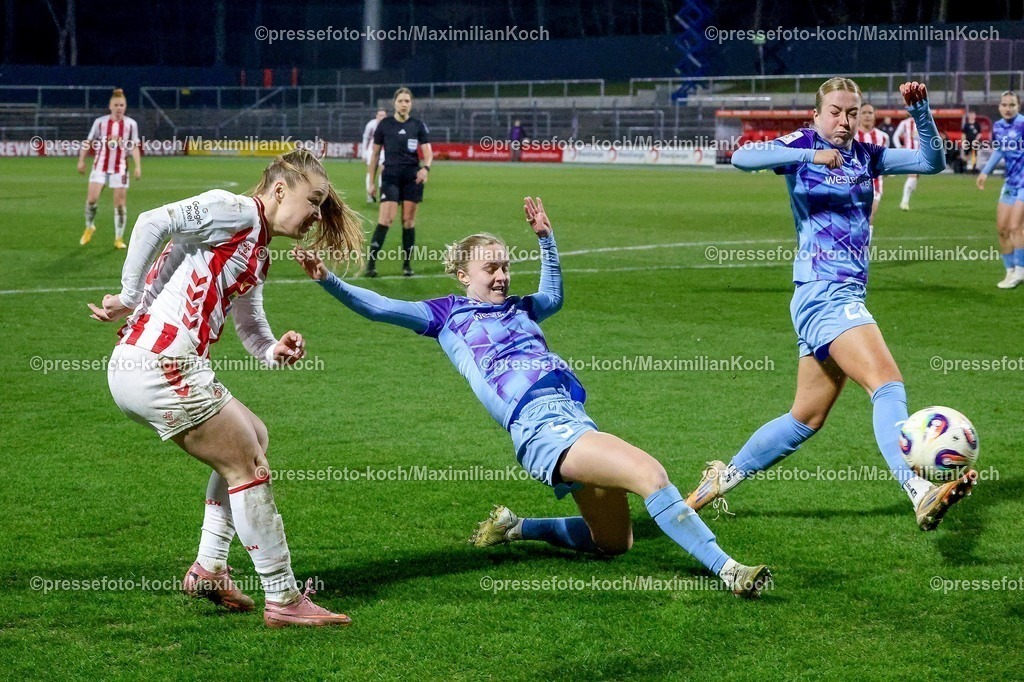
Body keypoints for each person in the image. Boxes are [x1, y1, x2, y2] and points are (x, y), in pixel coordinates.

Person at [295, 197, 772, 599]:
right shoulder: (447, 315)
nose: (502, 275)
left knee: (615, 542)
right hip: (540, 426)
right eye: (490, 267)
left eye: (505, 265)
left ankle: (517, 526)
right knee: (650, 474)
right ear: (463, 274)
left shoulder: (522, 307)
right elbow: (380, 308)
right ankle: (729, 571)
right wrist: (327, 279)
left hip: (570, 416)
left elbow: (554, 296)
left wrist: (546, 239)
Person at [87, 149, 363, 627]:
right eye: (312, 200)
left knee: (255, 436)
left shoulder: (256, 249)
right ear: (280, 190)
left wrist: (274, 348)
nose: (317, 214)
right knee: (249, 464)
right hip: (161, 363)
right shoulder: (235, 210)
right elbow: (153, 220)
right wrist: (130, 296)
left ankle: (211, 567)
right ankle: (284, 598)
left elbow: (250, 324)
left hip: (149, 363)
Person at [684, 79, 974, 531]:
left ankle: (723, 478)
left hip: (835, 295)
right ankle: (918, 490)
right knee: (887, 385)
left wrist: (920, 113)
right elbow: (742, 157)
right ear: (817, 114)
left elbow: (931, 162)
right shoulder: (802, 142)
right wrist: (808, 155)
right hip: (824, 291)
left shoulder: (866, 155)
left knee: (806, 417)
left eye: (852, 112)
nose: (845, 121)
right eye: (836, 112)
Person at [366, 87, 433, 277]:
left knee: (408, 221)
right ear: (394, 103)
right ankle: (371, 264)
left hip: (412, 178)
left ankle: (406, 265)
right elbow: (375, 155)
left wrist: (425, 169)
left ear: (411, 104)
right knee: (385, 219)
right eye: (401, 101)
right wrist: (371, 182)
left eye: (407, 101)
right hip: (390, 177)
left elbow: (428, 154)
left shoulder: (418, 125)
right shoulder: (385, 125)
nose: (404, 104)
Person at [77, 88, 141, 249]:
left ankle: (118, 238)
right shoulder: (100, 122)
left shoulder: (131, 125)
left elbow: (134, 147)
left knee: (119, 205)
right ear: (110, 106)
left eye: (122, 105)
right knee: (91, 200)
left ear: (125, 107)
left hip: (120, 169)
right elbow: (89, 141)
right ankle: (89, 226)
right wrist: (81, 161)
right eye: (116, 105)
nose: (119, 108)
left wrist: (137, 166)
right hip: (100, 167)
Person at [976, 91, 1024, 289]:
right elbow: (1000, 150)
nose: (1007, 108)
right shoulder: (998, 126)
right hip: (1010, 182)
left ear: (1018, 106)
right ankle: (1010, 271)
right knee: (1002, 229)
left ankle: (1020, 270)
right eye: (1004, 104)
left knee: (1016, 227)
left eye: (1011, 105)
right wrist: (985, 172)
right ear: (999, 107)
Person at [855, 103, 890, 235]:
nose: (867, 116)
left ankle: (863, 251)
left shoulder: (883, 137)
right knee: (854, 218)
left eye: (870, 113)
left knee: (868, 215)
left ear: (875, 116)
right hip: (853, 182)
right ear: (858, 116)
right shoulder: (851, 136)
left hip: (875, 183)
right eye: (864, 112)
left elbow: (884, 159)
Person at [892, 111, 922, 210]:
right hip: (909, 153)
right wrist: (899, 147)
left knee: (916, 177)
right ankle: (904, 202)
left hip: (920, 153)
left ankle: (908, 195)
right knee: (913, 175)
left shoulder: (921, 123)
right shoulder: (904, 123)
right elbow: (896, 136)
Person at [362, 108, 387, 203]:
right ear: (376, 116)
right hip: (372, 151)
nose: (382, 117)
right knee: (371, 171)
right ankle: (369, 195)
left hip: (384, 150)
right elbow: (365, 138)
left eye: (384, 115)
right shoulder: (371, 125)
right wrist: (364, 153)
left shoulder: (388, 125)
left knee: (383, 171)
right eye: (380, 115)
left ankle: (382, 194)